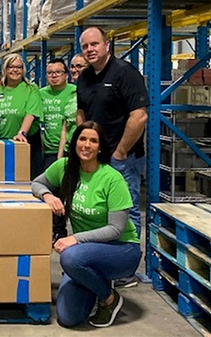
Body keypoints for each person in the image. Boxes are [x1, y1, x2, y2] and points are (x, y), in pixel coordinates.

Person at [32, 121, 141, 328]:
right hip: (87, 251)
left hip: (122, 249)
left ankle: (109, 298)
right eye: (82, 139)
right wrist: (47, 195)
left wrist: (74, 238)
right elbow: (36, 183)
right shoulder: (64, 167)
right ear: (74, 143)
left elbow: (116, 229)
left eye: (93, 141)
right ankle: (94, 278)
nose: (87, 145)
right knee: (68, 317)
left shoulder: (112, 178)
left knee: (70, 257)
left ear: (100, 147)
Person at [77, 26, 149, 287]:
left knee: (125, 212)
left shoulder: (124, 73)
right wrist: (82, 144)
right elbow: (81, 113)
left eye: (94, 44)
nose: (90, 50)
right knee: (98, 211)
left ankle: (125, 271)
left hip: (123, 158)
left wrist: (119, 152)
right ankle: (102, 261)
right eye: (85, 46)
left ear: (107, 45)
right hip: (93, 157)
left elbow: (139, 115)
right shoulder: (84, 77)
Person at [0, 53, 43, 180]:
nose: (15, 70)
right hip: (1, 144)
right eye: (11, 67)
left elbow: (31, 114)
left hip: (25, 143)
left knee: (26, 181)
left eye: (19, 67)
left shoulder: (31, 89)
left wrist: (22, 133)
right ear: (5, 69)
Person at [40, 58, 77, 167]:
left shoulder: (75, 91)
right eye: (50, 73)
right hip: (48, 151)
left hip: (71, 148)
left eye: (58, 72)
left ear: (66, 75)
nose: (54, 76)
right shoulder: (40, 94)